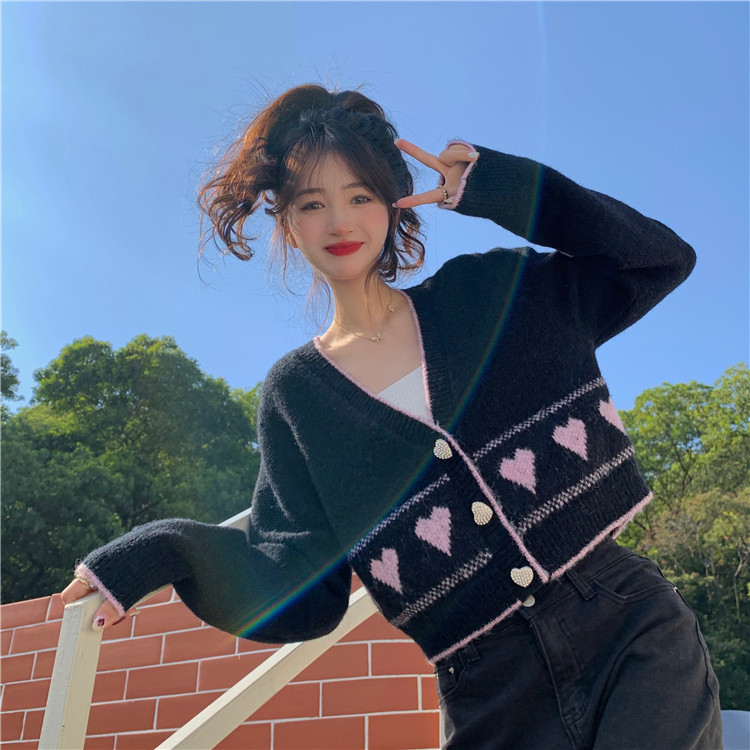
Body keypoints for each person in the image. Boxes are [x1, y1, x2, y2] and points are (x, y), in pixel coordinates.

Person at [62, 84, 723, 749]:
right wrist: (161, 551)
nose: (339, 223)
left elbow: (658, 259)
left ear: (391, 202)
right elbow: (297, 581)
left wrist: (502, 189)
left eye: (359, 196)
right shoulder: (298, 396)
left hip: (627, 631)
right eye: (311, 204)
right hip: (490, 693)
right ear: (286, 222)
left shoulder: (493, 294)